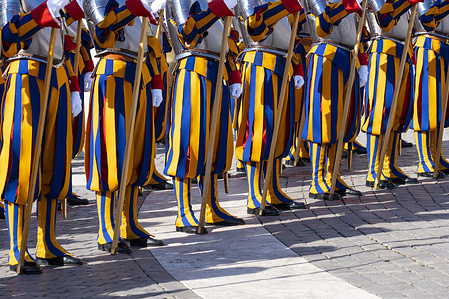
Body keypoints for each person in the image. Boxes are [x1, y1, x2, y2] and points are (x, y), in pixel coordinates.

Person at [0, 0, 84, 274]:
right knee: (23, 166)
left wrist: (72, 86)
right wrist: (43, 12)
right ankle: (18, 248)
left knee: (54, 165)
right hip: (26, 75)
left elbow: (64, 45)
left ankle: (46, 243)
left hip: (56, 77)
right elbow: (7, 37)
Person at [84, 0, 164, 252]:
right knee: (111, 153)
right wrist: (133, 7)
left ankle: (128, 224)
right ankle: (106, 227)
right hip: (114, 73)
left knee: (136, 153)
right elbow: (102, 32)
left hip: (139, 73)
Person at [165, 0, 245, 234]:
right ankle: (184, 212)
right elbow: (187, 33)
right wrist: (217, 9)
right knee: (188, 144)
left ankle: (210, 206)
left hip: (215, 72)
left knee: (214, 144)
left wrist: (234, 76)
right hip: (192, 70)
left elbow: (226, 46)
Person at [234, 0, 307, 215]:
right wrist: (285, 4)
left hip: (282, 62)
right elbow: (255, 28)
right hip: (260, 62)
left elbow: (293, 34)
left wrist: (298, 67)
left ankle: (272, 190)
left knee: (279, 131)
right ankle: (255, 194)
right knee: (259, 131)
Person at [302, 0, 368, 200]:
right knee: (324, 119)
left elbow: (358, 30)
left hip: (348, 55)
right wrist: (345, 5)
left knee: (342, 119)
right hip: (326, 54)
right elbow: (323, 26)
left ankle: (333, 175)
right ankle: (318, 179)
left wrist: (363, 61)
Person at [363, 0, 421, 188]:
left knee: (397, 113)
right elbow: (384, 20)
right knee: (381, 112)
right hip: (384, 50)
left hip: (401, 49)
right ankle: (374, 170)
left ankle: (389, 165)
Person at [413, 0, 449, 177]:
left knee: (440, 107)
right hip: (428, 45)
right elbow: (427, 20)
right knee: (427, 105)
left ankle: (436, 155)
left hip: (443, 46)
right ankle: (424, 159)